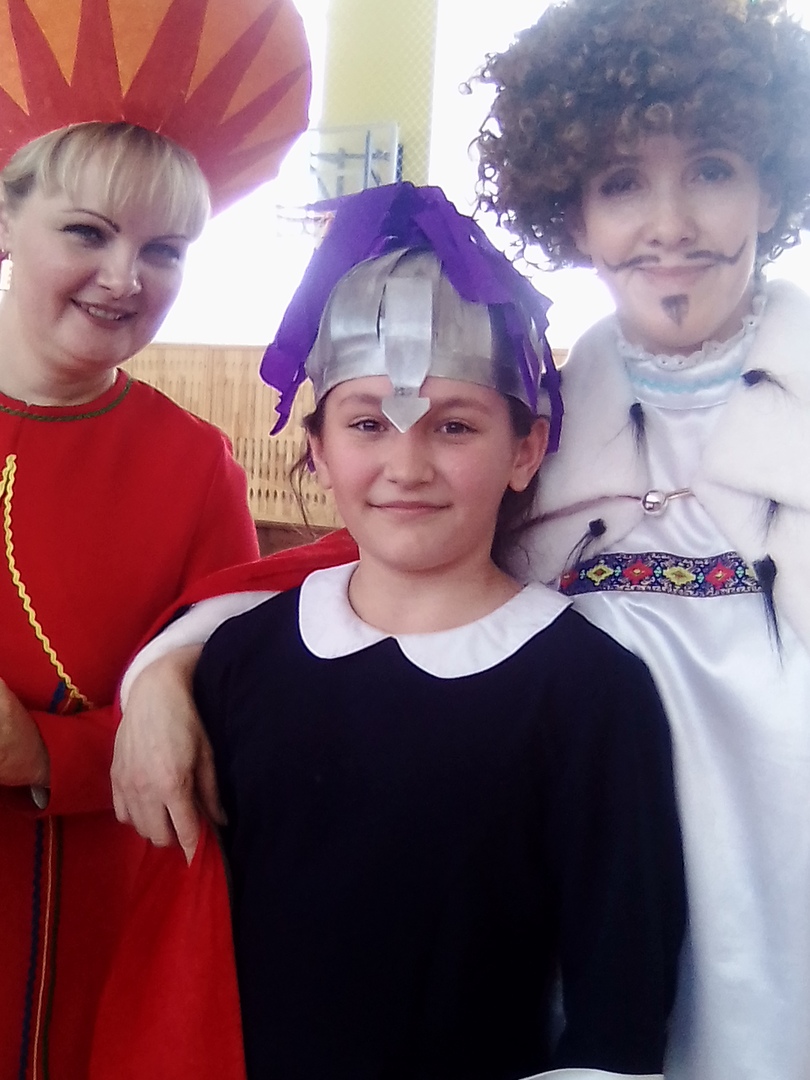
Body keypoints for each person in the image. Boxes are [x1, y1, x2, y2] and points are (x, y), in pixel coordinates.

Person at [118, 183, 685, 1079]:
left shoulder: (588, 690)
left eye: (454, 425)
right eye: (367, 424)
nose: (406, 465)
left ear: (526, 449)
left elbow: (621, 998)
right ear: (317, 448)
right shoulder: (237, 661)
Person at [472, 1, 810, 1078]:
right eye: (622, 182)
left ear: (771, 187)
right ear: (572, 213)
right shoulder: (528, 436)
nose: (670, 224)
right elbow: (385, 578)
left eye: (710, 169)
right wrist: (177, 659)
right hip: (585, 987)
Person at [0, 120, 263, 1079]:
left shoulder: (193, 466)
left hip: (87, 932)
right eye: (88, 232)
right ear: (6, 221)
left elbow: (236, 709)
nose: (125, 278)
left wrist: (48, 754)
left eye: (164, 250)